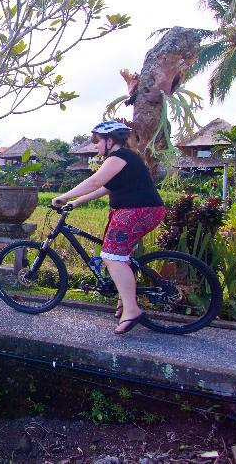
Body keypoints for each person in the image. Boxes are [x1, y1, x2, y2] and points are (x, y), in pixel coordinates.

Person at [52, 121, 166, 335]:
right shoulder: (124, 158)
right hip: (139, 210)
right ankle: (124, 300)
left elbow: (94, 182)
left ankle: (132, 310)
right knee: (121, 256)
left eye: (97, 140)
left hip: (136, 211)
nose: (95, 146)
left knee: (112, 256)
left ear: (110, 140)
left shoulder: (118, 157)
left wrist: (63, 196)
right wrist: (75, 203)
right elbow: (104, 188)